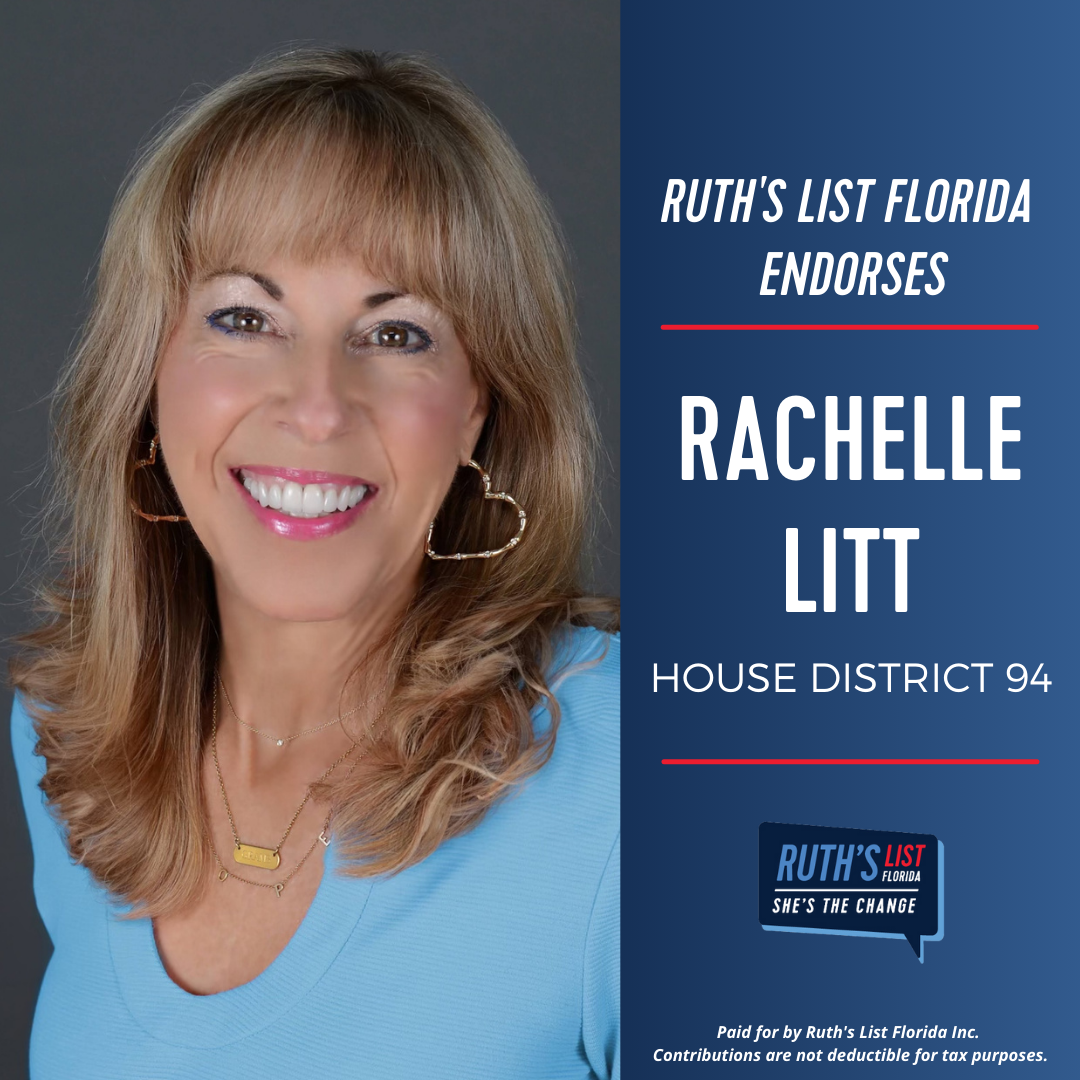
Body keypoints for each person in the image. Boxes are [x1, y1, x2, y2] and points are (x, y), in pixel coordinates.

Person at [9, 46, 619, 1079]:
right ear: (147, 382)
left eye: (396, 334)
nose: (319, 403)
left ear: (479, 406)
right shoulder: (70, 750)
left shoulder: (635, 783)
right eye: (245, 319)